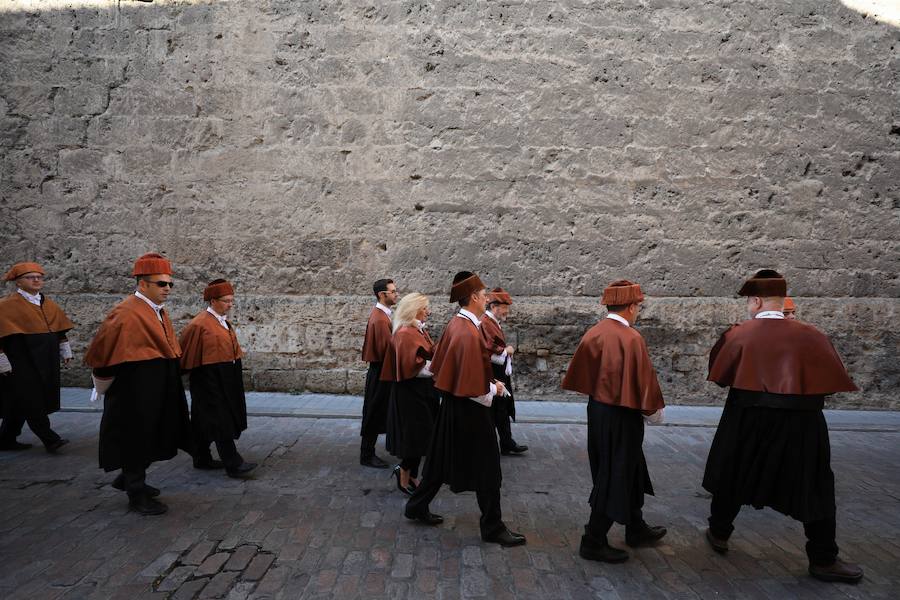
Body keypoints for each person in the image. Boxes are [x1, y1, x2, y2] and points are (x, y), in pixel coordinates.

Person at [703, 269, 863, 583]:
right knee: (814, 485)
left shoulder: (738, 334)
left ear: (757, 300)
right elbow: (826, 383)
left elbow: (721, 376)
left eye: (749, 300)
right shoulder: (812, 335)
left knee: (733, 473)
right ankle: (823, 559)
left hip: (746, 419)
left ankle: (719, 532)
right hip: (801, 424)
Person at [404, 271, 526, 547]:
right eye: (484, 296)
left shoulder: (457, 325)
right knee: (489, 469)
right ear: (473, 298)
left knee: (437, 461)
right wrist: (491, 389)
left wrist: (488, 381)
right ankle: (492, 526)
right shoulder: (468, 331)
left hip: (453, 406)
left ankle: (416, 506)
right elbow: (472, 385)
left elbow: (453, 367)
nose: (487, 300)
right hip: (470, 411)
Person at [562, 279, 667, 563]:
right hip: (622, 415)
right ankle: (593, 540)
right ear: (631, 307)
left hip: (598, 411)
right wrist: (654, 412)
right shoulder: (631, 338)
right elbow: (643, 381)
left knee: (628, 468)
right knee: (615, 473)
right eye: (639, 306)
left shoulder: (594, 332)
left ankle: (636, 527)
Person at [84, 253, 191, 516]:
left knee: (156, 432)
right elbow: (105, 350)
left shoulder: (156, 310)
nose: (167, 289)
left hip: (157, 384)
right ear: (143, 284)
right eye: (161, 284)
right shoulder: (125, 312)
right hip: (135, 389)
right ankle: (136, 491)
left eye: (170, 284)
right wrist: (101, 383)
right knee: (136, 435)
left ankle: (129, 477)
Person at [179, 279, 256, 478]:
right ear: (213, 301)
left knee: (203, 420)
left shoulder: (222, 321)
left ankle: (201, 457)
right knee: (220, 420)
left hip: (225, 378)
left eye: (232, 300)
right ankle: (233, 463)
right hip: (208, 381)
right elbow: (186, 351)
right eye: (226, 300)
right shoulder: (199, 324)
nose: (230, 304)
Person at [0, 262, 74, 453]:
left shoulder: (47, 303)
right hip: (19, 360)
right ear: (18, 282)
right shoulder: (6, 306)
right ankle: (50, 439)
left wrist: (64, 348)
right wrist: (1, 359)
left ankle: (6, 438)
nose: (36, 280)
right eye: (30, 277)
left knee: (19, 401)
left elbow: (59, 329)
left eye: (39, 277)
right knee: (31, 399)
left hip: (45, 359)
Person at [381, 292, 438, 495]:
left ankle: (411, 476)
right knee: (416, 437)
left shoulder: (416, 330)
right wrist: (436, 366)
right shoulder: (405, 333)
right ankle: (404, 476)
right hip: (410, 394)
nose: (428, 312)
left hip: (421, 392)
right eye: (424, 309)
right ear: (414, 310)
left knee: (422, 437)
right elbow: (412, 367)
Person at [481, 288, 527, 455]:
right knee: (496, 408)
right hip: (494, 372)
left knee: (501, 407)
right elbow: (487, 348)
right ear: (494, 307)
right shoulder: (486, 322)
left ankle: (506, 441)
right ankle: (497, 443)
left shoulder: (492, 322)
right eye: (504, 307)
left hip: (499, 371)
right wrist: (505, 350)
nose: (507, 311)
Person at [359, 278, 398, 468]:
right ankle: (366, 455)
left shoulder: (383, 315)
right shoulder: (380, 319)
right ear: (382, 295)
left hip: (382, 371)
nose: (395, 294)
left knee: (382, 411)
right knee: (374, 413)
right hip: (381, 372)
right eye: (392, 292)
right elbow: (386, 352)